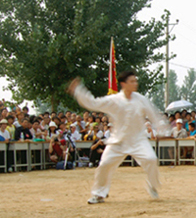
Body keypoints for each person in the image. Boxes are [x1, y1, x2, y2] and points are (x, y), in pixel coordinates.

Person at [68, 70, 169, 205]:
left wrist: (163, 131)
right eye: (132, 81)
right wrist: (78, 91)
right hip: (118, 141)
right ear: (123, 84)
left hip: (138, 140)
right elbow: (93, 103)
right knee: (104, 165)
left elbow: (153, 114)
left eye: (135, 80)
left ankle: (152, 185)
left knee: (151, 159)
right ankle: (99, 194)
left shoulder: (141, 99)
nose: (135, 83)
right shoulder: (114, 100)